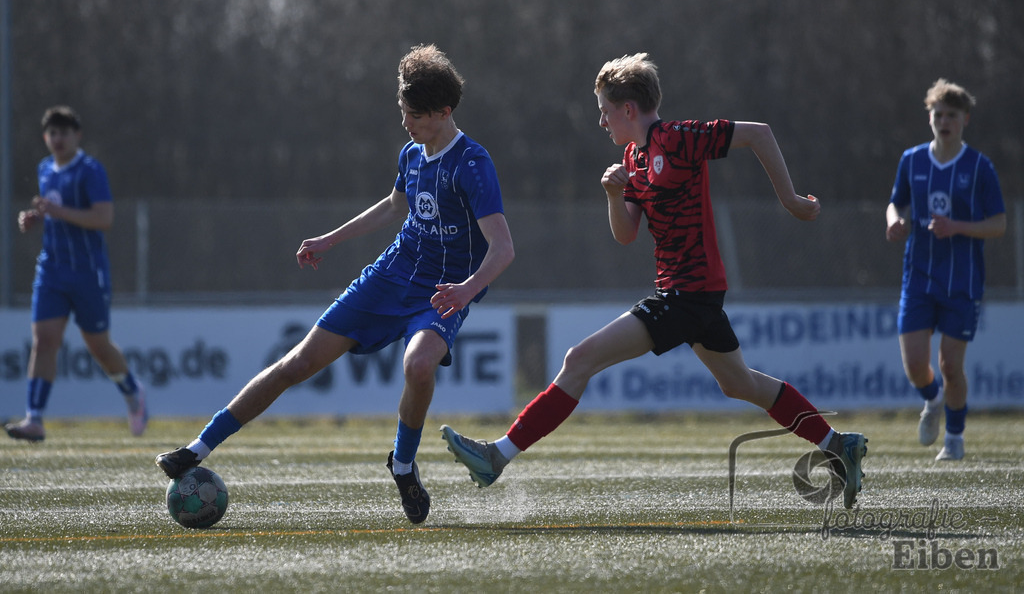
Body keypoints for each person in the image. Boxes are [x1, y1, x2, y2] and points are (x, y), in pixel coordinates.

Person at [441, 52, 868, 510]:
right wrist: (613, 194)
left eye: (605, 111)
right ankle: (838, 444)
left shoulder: (678, 137)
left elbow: (759, 133)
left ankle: (498, 456)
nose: (601, 121)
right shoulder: (633, 157)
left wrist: (790, 199)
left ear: (628, 109)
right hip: (690, 294)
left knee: (579, 358)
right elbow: (626, 234)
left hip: (687, 293)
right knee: (739, 383)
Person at [155, 44, 515, 525]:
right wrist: (330, 239)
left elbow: (503, 249)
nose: (405, 122)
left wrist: (467, 289)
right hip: (389, 277)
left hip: (441, 293)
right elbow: (394, 207)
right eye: (402, 110)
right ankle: (196, 449)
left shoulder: (472, 163)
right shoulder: (412, 154)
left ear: (443, 112)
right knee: (296, 363)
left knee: (419, 366)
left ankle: (402, 465)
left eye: (413, 115)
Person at [5, 106, 147, 442]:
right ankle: (34, 418)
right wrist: (36, 218)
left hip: (87, 272)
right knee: (44, 341)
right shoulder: (45, 169)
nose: (58, 139)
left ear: (77, 135)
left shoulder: (90, 170)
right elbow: (56, 213)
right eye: (52, 133)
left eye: (64, 133)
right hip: (51, 269)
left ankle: (132, 391)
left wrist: (57, 211)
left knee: (98, 346)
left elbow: (103, 218)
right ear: (45, 137)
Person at [885, 79, 1006, 461]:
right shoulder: (912, 160)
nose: (944, 121)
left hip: (962, 281)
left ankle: (954, 439)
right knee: (915, 366)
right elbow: (895, 203)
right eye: (938, 115)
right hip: (918, 277)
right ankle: (933, 399)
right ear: (930, 118)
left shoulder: (979, 167)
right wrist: (894, 221)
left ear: (965, 119)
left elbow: (999, 224)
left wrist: (957, 227)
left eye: (951, 115)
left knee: (951, 365)